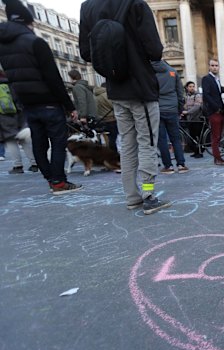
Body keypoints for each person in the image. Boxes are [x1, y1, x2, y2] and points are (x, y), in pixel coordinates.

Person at [79, 0, 171, 214]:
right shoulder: (136, 4)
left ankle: (132, 196)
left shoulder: (88, 7)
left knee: (127, 145)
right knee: (147, 143)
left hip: (116, 89)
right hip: (140, 87)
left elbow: (86, 52)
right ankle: (148, 194)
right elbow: (155, 50)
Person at [0, 0, 81, 194]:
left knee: (39, 143)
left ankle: (51, 180)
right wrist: (69, 106)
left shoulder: (4, 46)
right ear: (27, 21)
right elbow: (53, 77)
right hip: (49, 102)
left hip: (27, 103)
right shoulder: (36, 42)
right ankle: (59, 181)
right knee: (59, 143)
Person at [152, 60, 188, 174]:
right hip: (172, 108)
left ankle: (168, 166)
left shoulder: (149, 73)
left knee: (162, 140)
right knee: (175, 138)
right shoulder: (173, 72)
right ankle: (181, 164)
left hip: (157, 109)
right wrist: (180, 108)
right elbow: (180, 92)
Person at [0, 68, 36, 174]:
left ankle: (17, 166)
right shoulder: (10, 81)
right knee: (23, 139)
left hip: (3, 116)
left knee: (10, 140)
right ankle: (34, 163)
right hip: (18, 113)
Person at [201, 59, 224, 165]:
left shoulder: (217, 79)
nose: (214, 67)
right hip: (214, 111)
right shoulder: (206, 79)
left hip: (220, 111)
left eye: (216, 65)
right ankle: (217, 158)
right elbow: (206, 95)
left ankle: (218, 157)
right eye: (212, 65)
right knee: (215, 136)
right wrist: (216, 108)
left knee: (218, 136)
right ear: (209, 66)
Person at [94, 82, 119, 152]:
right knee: (114, 138)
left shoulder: (96, 96)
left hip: (103, 119)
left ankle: (109, 153)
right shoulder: (106, 95)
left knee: (107, 138)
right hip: (112, 119)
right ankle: (114, 154)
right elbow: (114, 106)